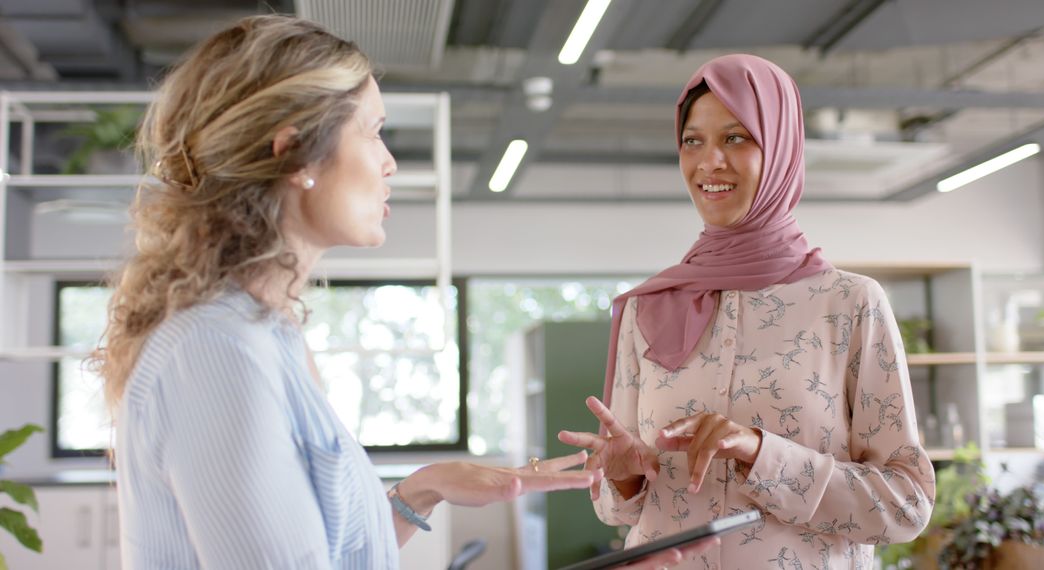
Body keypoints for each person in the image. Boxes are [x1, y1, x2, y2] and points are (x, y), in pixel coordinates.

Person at [91, 14, 705, 570]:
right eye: (374, 131)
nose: (390, 163)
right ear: (294, 153)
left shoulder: (266, 335)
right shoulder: (216, 351)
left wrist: (423, 488)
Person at [558, 54, 936, 569]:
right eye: (693, 141)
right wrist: (623, 476)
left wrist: (761, 452)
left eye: (735, 137)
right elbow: (618, 509)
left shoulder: (849, 303)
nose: (709, 161)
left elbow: (906, 505)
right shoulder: (643, 308)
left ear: (781, 148)